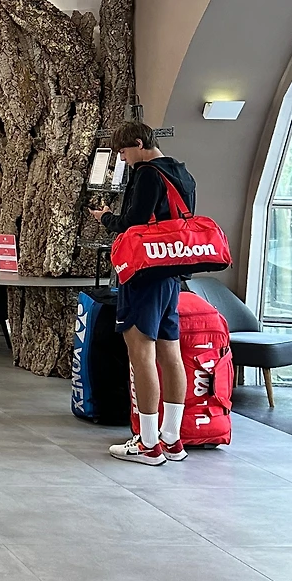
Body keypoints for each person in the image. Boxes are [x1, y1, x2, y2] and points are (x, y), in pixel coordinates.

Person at [90, 120, 198, 467]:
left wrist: (107, 218)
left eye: (124, 151)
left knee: (141, 354)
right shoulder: (182, 173)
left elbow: (133, 222)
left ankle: (148, 443)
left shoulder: (148, 174)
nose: (122, 158)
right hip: (171, 273)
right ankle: (172, 439)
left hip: (144, 274)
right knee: (171, 354)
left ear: (139, 143)